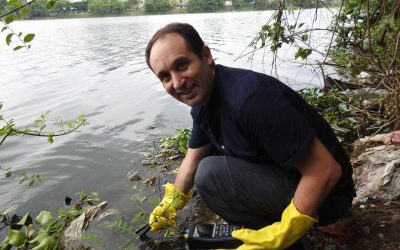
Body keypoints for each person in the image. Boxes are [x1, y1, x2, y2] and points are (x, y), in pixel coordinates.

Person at [145, 22, 356, 250]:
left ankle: (283, 241)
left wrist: (280, 235)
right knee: (206, 163)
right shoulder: (204, 101)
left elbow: (326, 171)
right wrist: (172, 202)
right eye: (165, 76)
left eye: (182, 65)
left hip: (330, 195)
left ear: (206, 55)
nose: (177, 83)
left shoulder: (252, 100)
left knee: (210, 175)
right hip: (291, 178)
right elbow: (193, 157)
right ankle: (266, 230)